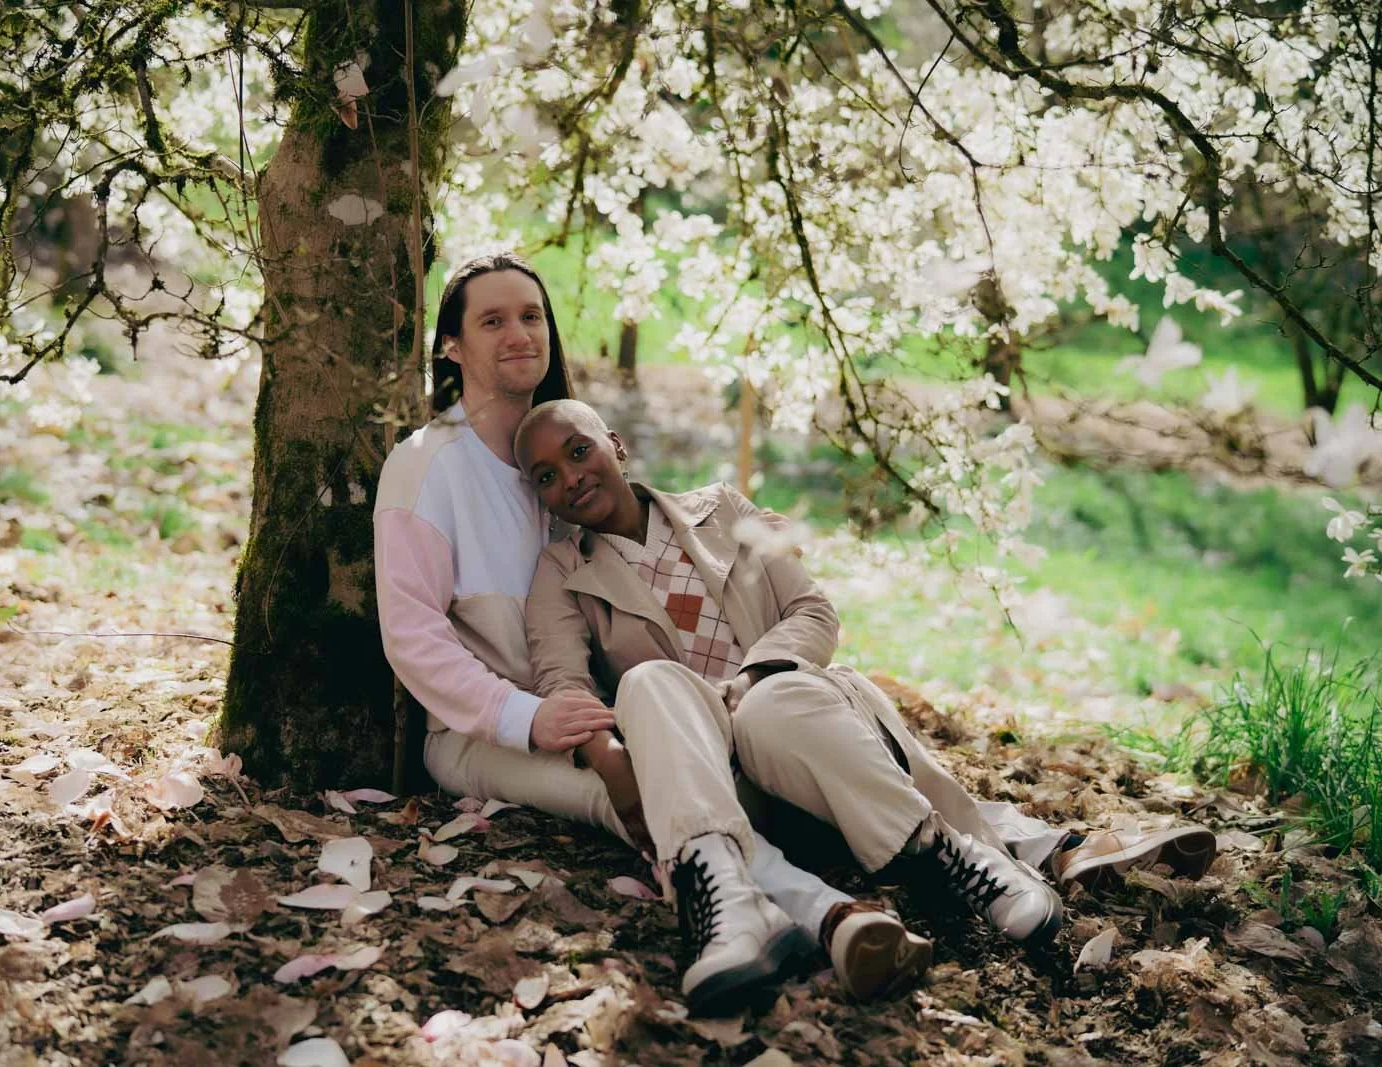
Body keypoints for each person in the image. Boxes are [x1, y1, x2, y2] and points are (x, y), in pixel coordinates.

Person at [374, 253, 930, 1013]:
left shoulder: (556, 457)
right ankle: (818, 915)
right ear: (451, 348)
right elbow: (411, 635)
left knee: (696, 766)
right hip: (487, 735)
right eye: (491, 320)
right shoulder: (424, 467)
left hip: (604, 710)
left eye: (531, 315)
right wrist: (528, 716)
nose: (518, 333)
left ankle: (876, 868)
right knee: (635, 790)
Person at [514, 398, 1219, 948]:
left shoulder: (723, 509)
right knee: (658, 684)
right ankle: (1017, 847)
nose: (571, 477)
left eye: (580, 451)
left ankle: (980, 858)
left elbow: (811, 610)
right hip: (722, 773)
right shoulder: (563, 573)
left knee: (776, 704)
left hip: (802, 723)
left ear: (617, 445)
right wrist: (604, 755)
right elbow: (562, 682)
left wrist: (756, 678)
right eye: (547, 474)